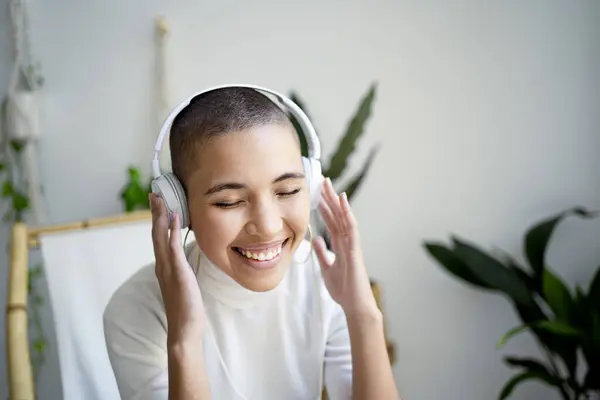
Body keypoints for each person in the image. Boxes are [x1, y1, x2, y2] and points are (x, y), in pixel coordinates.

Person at [103, 86, 399, 400]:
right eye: (229, 202)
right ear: (181, 208)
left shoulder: (324, 282)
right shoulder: (136, 311)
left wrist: (363, 313)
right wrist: (183, 340)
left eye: (287, 192)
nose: (268, 226)